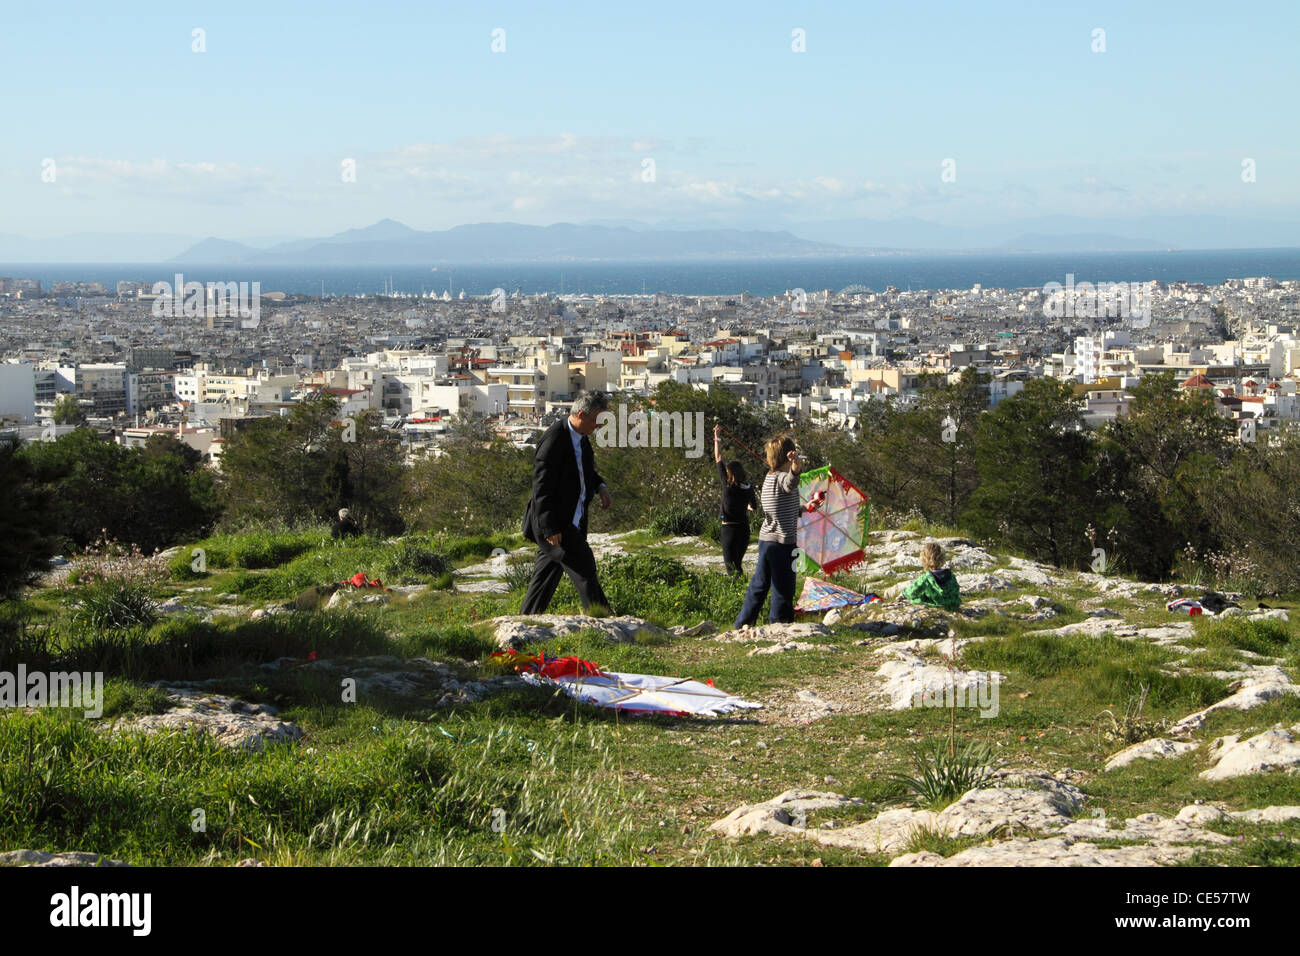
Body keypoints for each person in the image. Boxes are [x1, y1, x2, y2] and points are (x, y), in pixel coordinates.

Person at [519, 390, 613, 615]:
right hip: (556, 523)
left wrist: (600, 487)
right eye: (596, 420)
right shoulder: (554, 440)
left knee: (546, 575)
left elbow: (585, 470)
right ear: (581, 414)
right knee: (584, 565)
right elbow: (541, 489)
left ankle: (527, 619)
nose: (599, 426)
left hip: (571, 520)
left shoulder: (581, 437)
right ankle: (605, 619)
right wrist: (549, 528)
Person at [734, 434, 802, 628]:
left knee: (759, 584)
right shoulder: (783, 478)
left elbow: (779, 507)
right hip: (784, 543)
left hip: (766, 541)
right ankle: (780, 623)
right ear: (788, 457)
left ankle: (743, 622)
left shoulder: (769, 478)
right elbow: (791, 482)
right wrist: (796, 468)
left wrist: (804, 509)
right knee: (784, 586)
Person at [713, 424, 758, 575]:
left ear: (729, 473)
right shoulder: (748, 487)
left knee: (730, 568)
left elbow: (718, 457)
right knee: (737, 565)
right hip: (744, 530)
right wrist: (746, 506)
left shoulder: (727, 484)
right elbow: (753, 507)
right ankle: (741, 592)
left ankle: (738, 594)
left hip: (729, 530)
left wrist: (717, 437)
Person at [901, 542, 962, 610]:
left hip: (936, 604)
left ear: (924, 559)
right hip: (952, 605)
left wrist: (903, 594)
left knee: (917, 599)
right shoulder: (950, 575)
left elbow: (912, 592)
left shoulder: (926, 578)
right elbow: (956, 590)